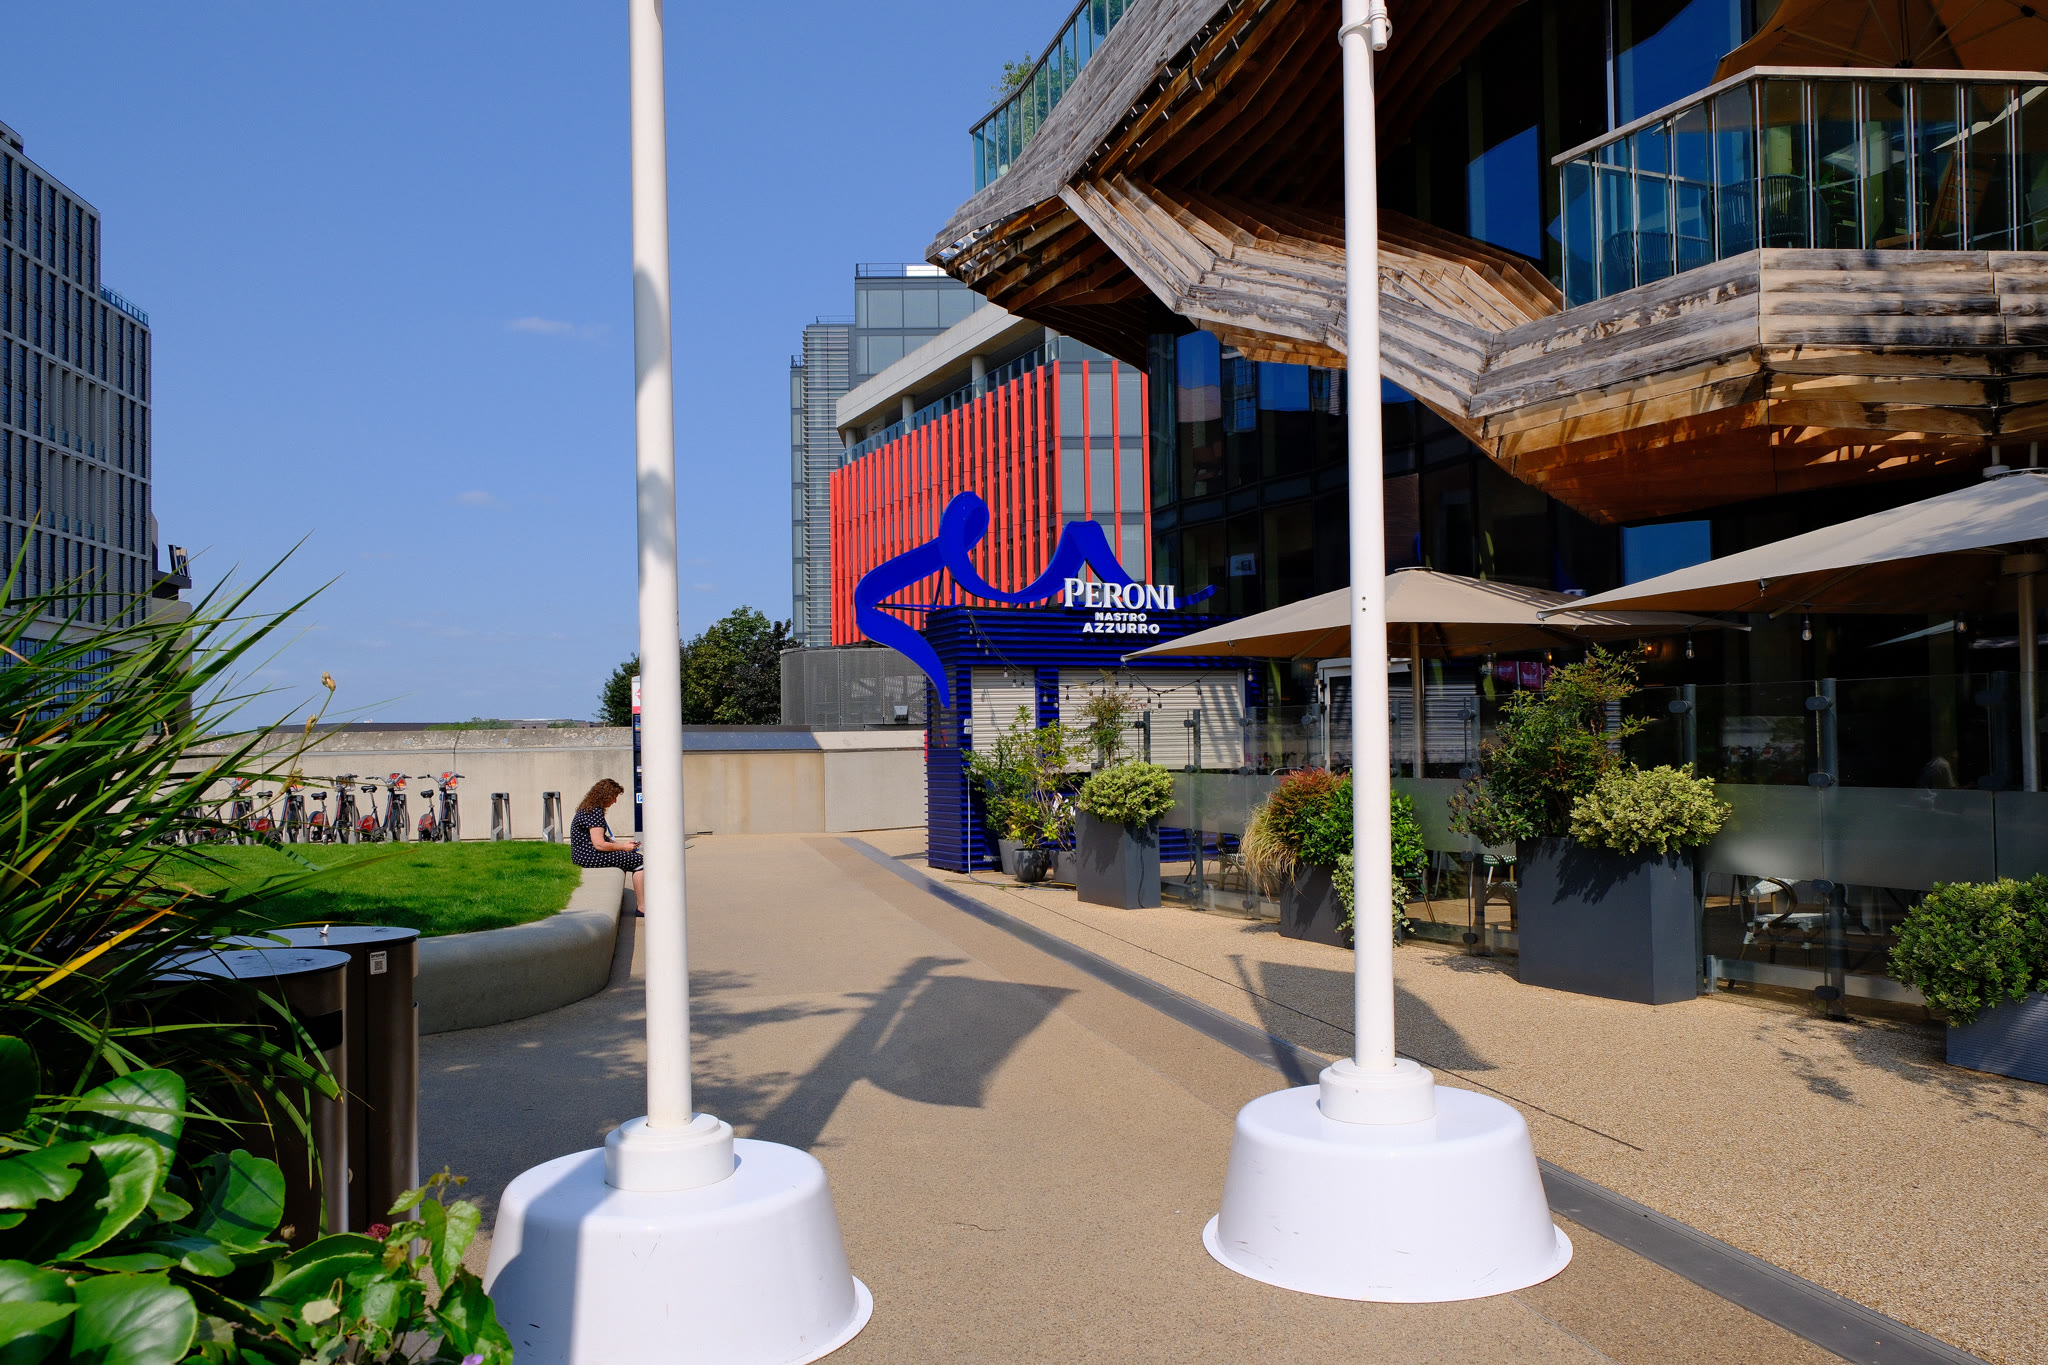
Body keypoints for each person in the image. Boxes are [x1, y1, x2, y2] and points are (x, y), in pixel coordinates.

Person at [570, 778, 645, 916]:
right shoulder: (594, 812)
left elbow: (601, 839)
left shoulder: (589, 808)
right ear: (605, 795)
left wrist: (624, 845)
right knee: (640, 862)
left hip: (583, 854)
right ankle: (642, 908)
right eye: (614, 797)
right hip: (589, 856)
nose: (615, 801)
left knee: (630, 857)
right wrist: (623, 847)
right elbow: (599, 844)